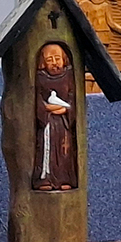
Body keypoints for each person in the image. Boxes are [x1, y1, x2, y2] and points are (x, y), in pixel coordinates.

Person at [32, 42, 77, 191]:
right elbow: (38, 101)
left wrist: (66, 109)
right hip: (47, 123)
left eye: (57, 58)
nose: (54, 63)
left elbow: (73, 99)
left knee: (65, 151)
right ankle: (45, 179)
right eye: (49, 60)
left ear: (64, 59)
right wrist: (48, 108)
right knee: (46, 149)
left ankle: (65, 178)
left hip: (63, 123)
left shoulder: (69, 76)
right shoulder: (40, 78)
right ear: (43, 62)